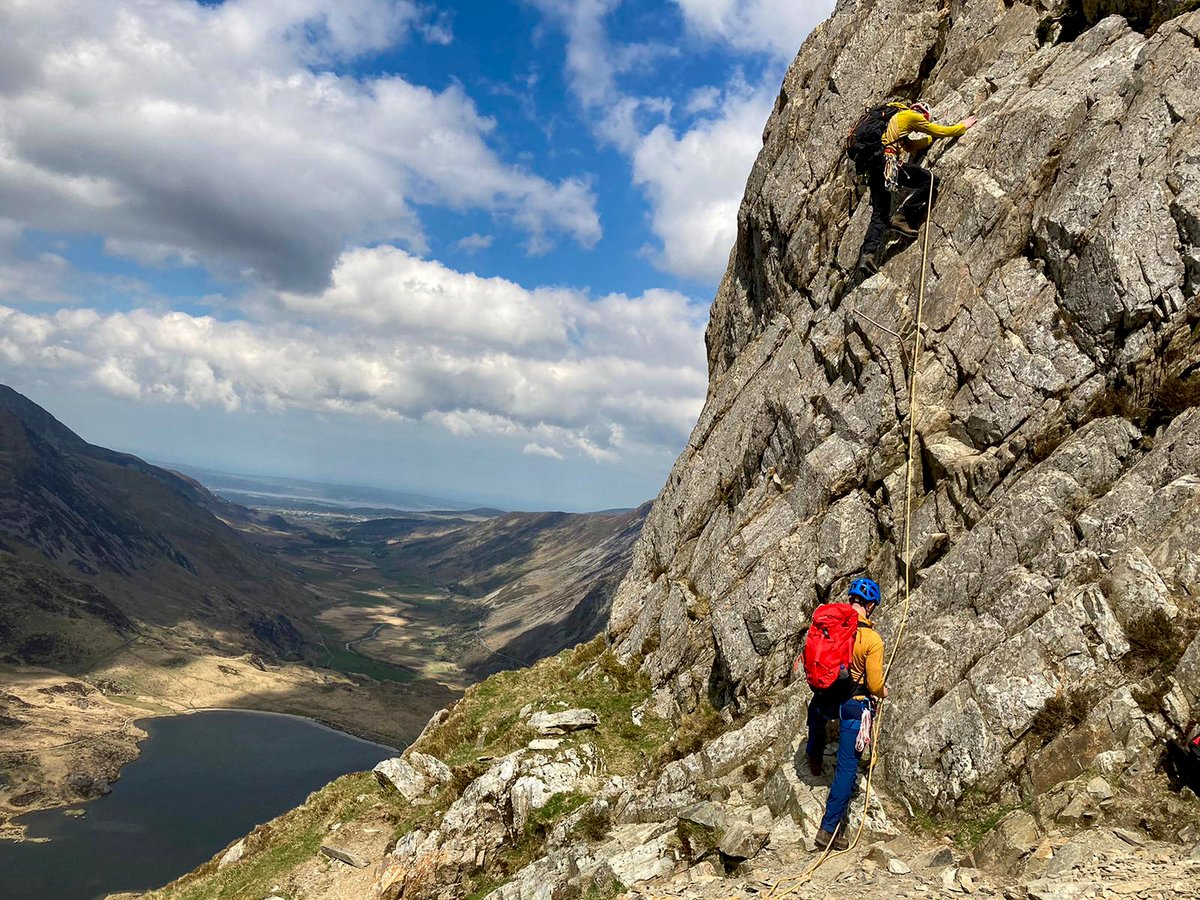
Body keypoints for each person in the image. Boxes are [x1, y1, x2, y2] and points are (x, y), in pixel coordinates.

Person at [805, 577, 887, 851]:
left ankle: (813, 759)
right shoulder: (872, 640)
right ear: (871, 605)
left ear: (851, 600)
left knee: (815, 712)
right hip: (854, 704)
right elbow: (874, 685)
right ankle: (828, 831)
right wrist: (884, 692)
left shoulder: (831, 628)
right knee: (846, 768)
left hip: (827, 697)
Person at [854, 101, 977, 279]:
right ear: (923, 114)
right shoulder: (911, 116)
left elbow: (911, 146)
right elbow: (939, 130)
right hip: (887, 163)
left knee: (880, 213)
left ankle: (868, 255)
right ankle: (901, 216)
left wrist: (929, 140)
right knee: (930, 180)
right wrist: (961, 127)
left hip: (874, 167)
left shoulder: (894, 122)